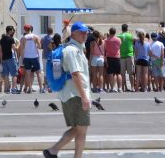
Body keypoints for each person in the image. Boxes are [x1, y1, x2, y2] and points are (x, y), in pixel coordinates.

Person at [43, 22, 92, 158]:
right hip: (76, 95)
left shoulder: (76, 49)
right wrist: (84, 97)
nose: (85, 35)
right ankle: (60, 152)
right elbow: (76, 75)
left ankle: (52, 151)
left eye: (86, 32)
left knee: (77, 129)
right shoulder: (72, 50)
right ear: (74, 34)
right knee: (81, 131)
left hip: (72, 94)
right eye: (82, 32)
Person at [18, 24, 42, 93]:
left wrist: (22, 58)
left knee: (28, 73)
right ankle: (41, 89)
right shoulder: (35, 36)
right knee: (38, 73)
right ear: (31, 29)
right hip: (35, 56)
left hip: (27, 57)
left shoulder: (23, 38)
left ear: (25, 30)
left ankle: (30, 89)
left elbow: (22, 49)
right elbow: (40, 46)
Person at [0, 25, 18, 93]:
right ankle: (13, 89)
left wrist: (1, 60)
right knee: (14, 74)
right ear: (10, 31)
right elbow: (14, 48)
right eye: (12, 30)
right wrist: (19, 46)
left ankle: (7, 89)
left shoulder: (2, 39)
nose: (13, 31)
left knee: (6, 75)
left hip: (4, 59)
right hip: (10, 58)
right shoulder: (11, 39)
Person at [103, 27, 122, 93]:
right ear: (115, 32)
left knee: (110, 73)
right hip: (117, 57)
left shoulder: (105, 40)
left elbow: (105, 49)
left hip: (109, 57)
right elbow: (120, 47)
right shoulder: (118, 39)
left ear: (109, 32)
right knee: (118, 73)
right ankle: (120, 88)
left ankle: (112, 87)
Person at [118, 24, 135, 92]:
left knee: (122, 74)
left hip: (122, 56)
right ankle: (132, 87)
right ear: (127, 29)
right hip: (129, 55)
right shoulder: (130, 36)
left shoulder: (119, 36)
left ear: (122, 29)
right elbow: (134, 43)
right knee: (131, 73)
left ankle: (124, 88)